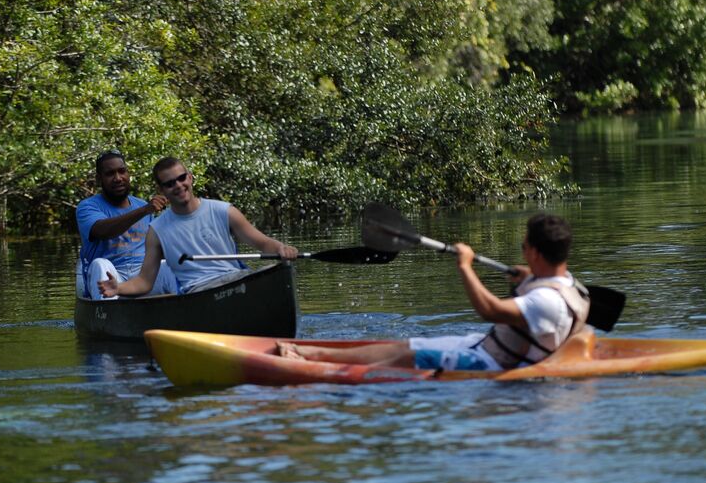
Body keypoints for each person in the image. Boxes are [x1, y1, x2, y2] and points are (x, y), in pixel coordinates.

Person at [278, 213, 591, 372]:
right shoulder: (570, 286)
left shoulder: (544, 301)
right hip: (483, 346)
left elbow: (491, 311)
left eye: (524, 247)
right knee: (403, 344)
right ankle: (314, 353)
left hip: (494, 364)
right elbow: (539, 303)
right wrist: (529, 278)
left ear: (535, 252)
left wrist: (466, 267)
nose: (521, 253)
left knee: (411, 356)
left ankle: (317, 369)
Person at [97, 157, 298, 297]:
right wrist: (119, 288)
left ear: (190, 178)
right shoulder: (157, 230)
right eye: (169, 184)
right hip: (198, 291)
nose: (178, 185)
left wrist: (281, 249)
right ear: (161, 189)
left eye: (181, 178)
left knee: (277, 269)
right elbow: (145, 281)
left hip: (236, 280)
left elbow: (263, 244)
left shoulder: (224, 211)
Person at [76, 150, 178, 299]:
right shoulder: (87, 207)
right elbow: (103, 231)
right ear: (99, 179)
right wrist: (144, 210)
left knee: (173, 264)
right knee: (99, 264)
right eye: (110, 174)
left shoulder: (142, 205)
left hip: (143, 277)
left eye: (122, 171)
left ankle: (187, 308)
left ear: (128, 174)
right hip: (112, 276)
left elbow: (155, 247)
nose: (118, 178)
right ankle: (109, 316)